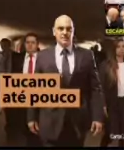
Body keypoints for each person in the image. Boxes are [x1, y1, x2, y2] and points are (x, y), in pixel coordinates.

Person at [27, 15, 104, 148]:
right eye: (60, 28)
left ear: (73, 31)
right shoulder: (43, 56)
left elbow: (95, 88)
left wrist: (97, 116)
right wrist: (31, 117)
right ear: (54, 31)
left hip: (77, 122)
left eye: (69, 29)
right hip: (49, 120)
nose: (65, 32)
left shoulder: (86, 55)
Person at [100, 38, 124, 148]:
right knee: (111, 133)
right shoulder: (106, 65)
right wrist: (103, 104)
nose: (121, 49)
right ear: (114, 49)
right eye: (118, 46)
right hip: (112, 103)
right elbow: (100, 86)